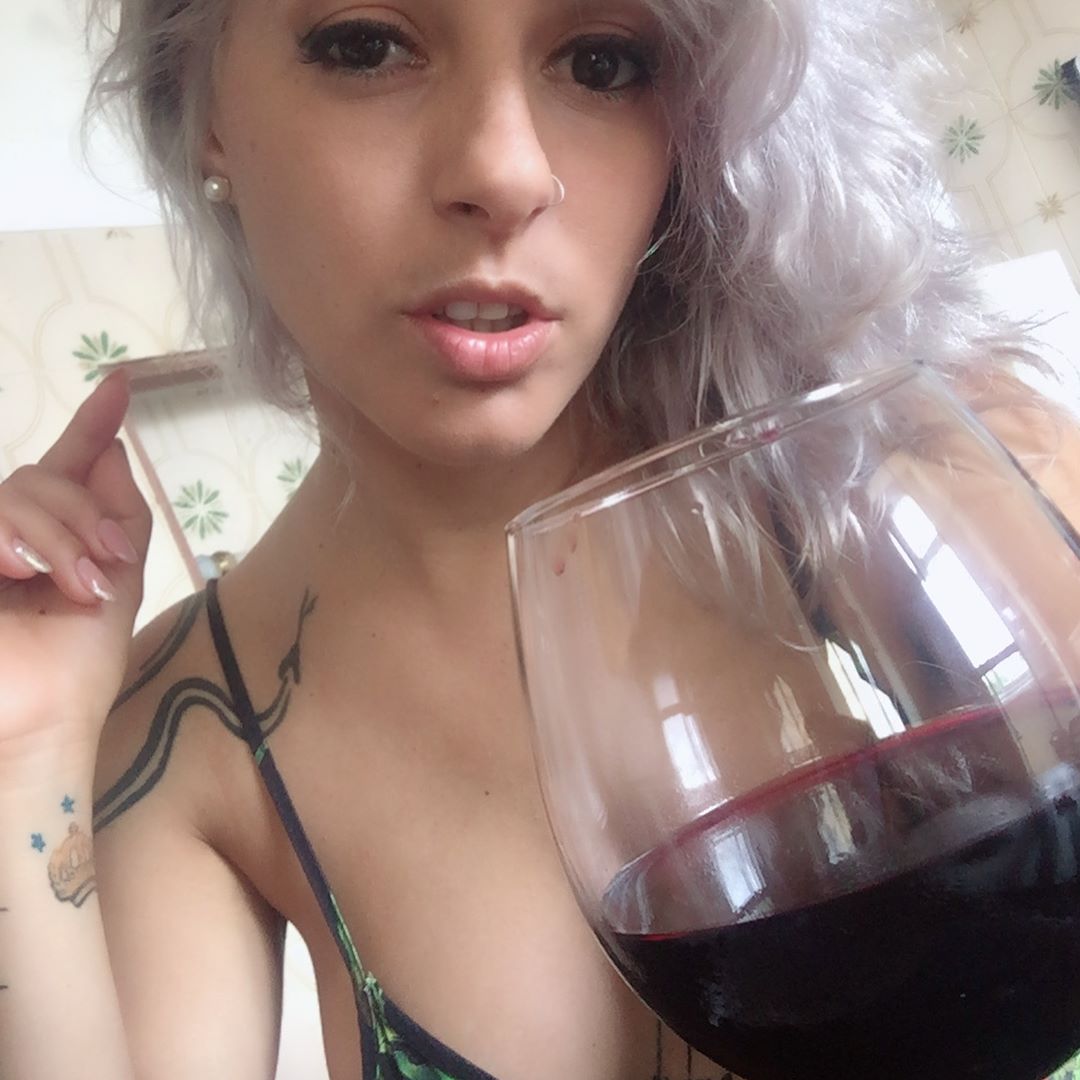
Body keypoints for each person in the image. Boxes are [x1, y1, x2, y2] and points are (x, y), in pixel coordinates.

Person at [0, 0, 1071, 1077]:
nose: (506, 172)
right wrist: (18, 760)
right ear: (203, 111)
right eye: (367, 45)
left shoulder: (902, 454)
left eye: (601, 62)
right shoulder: (187, 725)